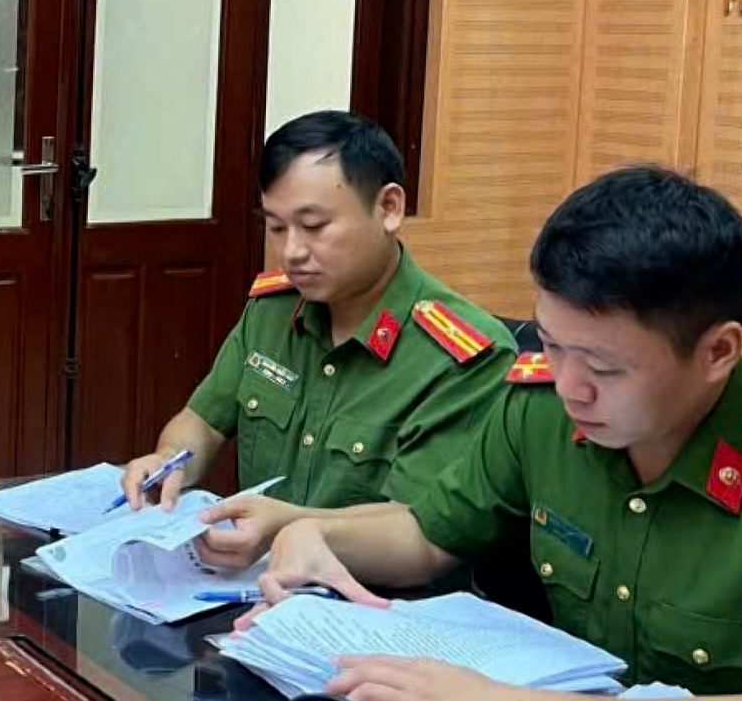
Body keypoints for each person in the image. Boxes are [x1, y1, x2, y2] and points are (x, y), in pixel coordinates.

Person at [248, 165, 742, 701]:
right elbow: (429, 532)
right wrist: (314, 530)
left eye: (604, 366)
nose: (571, 386)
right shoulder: (541, 409)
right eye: (553, 344)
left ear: (718, 352)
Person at [117, 111, 515, 570]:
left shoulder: (462, 357)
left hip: (376, 602)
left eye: (314, 226)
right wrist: (170, 461)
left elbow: (423, 533)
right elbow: (203, 421)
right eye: (276, 227)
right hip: (255, 587)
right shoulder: (273, 310)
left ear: (388, 208)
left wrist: (286, 527)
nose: (291, 252)